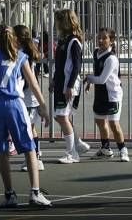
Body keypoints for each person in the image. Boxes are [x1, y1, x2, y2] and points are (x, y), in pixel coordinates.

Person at [0, 25, 51, 208]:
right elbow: (34, 84)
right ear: (13, 38)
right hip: (14, 104)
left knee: (3, 151)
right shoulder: (20, 57)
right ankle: (35, 192)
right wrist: (43, 107)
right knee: (29, 148)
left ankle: (9, 194)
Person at [83, 27, 129, 162]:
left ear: (111, 41)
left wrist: (89, 78)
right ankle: (106, 149)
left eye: (104, 38)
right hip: (100, 93)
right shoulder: (96, 53)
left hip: (113, 94)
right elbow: (97, 73)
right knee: (100, 121)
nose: (101, 40)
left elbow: (102, 79)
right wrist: (90, 83)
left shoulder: (112, 59)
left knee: (114, 124)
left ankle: (123, 150)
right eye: (99, 37)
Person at [50, 9, 90, 164]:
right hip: (61, 81)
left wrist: (70, 86)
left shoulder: (74, 41)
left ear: (65, 22)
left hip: (69, 83)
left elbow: (76, 67)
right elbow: (60, 64)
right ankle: (78, 143)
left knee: (61, 116)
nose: (56, 24)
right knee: (61, 116)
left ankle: (72, 153)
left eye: (58, 21)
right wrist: (54, 80)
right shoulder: (62, 41)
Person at [13, 24, 45, 172]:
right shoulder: (25, 52)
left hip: (28, 97)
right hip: (27, 97)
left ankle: (35, 158)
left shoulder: (23, 55)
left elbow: (28, 80)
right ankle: (36, 157)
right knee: (30, 129)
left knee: (28, 129)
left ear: (18, 40)